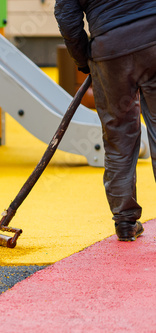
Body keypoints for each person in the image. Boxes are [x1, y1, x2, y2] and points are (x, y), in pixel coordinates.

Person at [54, 0, 156, 241]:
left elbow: (67, 18)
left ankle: (125, 221)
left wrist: (84, 60)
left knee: (118, 134)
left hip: (111, 49)